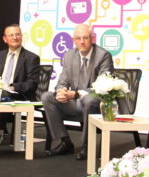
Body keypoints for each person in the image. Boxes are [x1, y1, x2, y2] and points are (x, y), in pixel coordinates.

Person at [42, 23, 113, 159]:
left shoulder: (103, 55)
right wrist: (61, 92)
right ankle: (65, 141)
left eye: (85, 38)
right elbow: (62, 81)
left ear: (92, 38)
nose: (82, 42)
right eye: (78, 38)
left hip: (95, 105)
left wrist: (75, 94)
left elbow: (103, 86)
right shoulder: (69, 55)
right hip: (74, 103)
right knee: (47, 97)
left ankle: (88, 145)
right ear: (73, 40)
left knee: (89, 99)